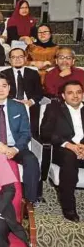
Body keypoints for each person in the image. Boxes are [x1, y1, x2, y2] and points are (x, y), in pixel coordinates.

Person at [0, 74, 41, 204]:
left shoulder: (19, 107)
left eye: (4, 86)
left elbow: (26, 133)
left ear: (9, 88)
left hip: (16, 146)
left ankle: (30, 202)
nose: (1, 90)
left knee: (31, 160)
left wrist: (15, 149)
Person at [40, 81, 84, 221]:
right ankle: (69, 207)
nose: (75, 96)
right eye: (70, 93)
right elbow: (45, 133)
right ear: (64, 96)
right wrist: (68, 144)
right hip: (62, 150)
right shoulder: (54, 109)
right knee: (69, 158)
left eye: (78, 92)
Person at [1, 48, 44, 136]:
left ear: (25, 58)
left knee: (35, 113)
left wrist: (30, 102)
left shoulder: (33, 73)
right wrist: (15, 101)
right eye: (14, 57)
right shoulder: (4, 74)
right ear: (9, 60)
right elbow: (1, 92)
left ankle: (33, 141)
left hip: (30, 104)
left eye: (20, 57)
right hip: (11, 103)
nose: (17, 59)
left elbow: (39, 92)